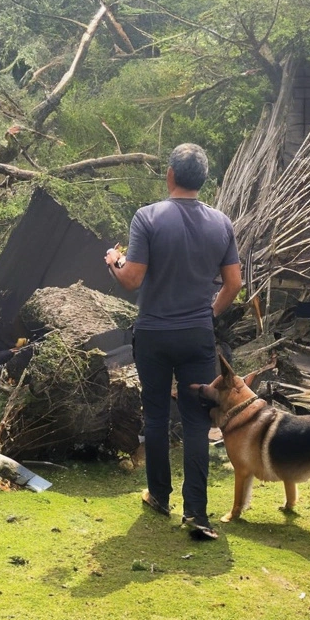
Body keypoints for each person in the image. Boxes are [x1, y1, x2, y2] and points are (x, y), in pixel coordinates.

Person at [104, 143, 242, 541]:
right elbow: (233, 284)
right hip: (197, 334)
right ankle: (197, 513)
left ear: (169, 175)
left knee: (157, 416)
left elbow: (131, 279)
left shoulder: (147, 217)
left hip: (153, 334)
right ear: (203, 180)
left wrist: (113, 261)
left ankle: (160, 497)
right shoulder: (221, 223)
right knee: (198, 422)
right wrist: (208, 314)